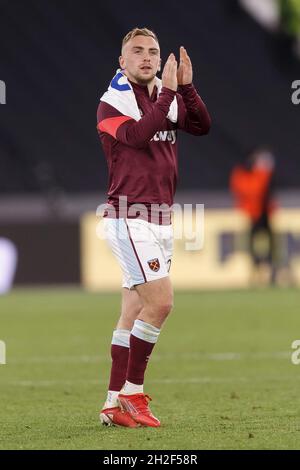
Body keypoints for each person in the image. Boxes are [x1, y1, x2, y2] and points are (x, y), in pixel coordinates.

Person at [96, 27, 211, 428]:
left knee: (133, 308)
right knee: (161, 303)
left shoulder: (162, 95)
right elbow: (140, 136)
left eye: (154, 51)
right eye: (138, 52)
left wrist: (188, 88)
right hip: (130, 217)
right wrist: (168, 92)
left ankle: (112, 403)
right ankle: (132, 393)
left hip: (161, 218)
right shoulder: (113, 102)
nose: (147, 57)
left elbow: (201, 125)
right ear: (122, 62)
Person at [230, 148, 276, 284]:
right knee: (253, 243)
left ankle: (268, 267)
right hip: (254, 213)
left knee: (267, 243)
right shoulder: (246, 175)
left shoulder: (260, 174)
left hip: (263, 213)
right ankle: (258, 267)